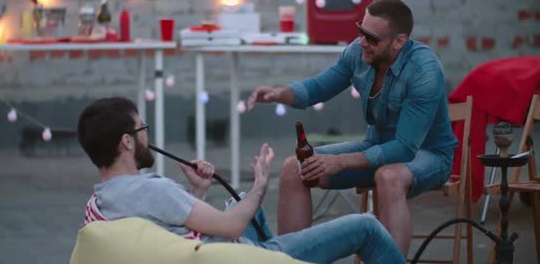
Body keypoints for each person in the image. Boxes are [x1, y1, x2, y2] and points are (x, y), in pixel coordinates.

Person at [77, 97, 405, 264]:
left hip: (205, 250)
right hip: (236, 255)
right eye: (141, 129)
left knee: (241, 199)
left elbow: (163, 236)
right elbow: (232, 227)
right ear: (127, 142)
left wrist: (196, 191)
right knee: (366, 227)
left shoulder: (100, 204)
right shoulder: (152, 189)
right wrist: (263, 181)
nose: (147, 134)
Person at [247, 0, 458, 256]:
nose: (362, 42)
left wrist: (342, 162)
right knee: (295, 168)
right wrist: (278, 94)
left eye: (371, 37)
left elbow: (404, 149)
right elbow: (319, 87)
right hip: (376, 146)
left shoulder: (424, 69)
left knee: (389, 177)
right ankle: (292, 260)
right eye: (360, 31)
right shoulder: (358, 53)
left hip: (428, 154)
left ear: (399, 42)